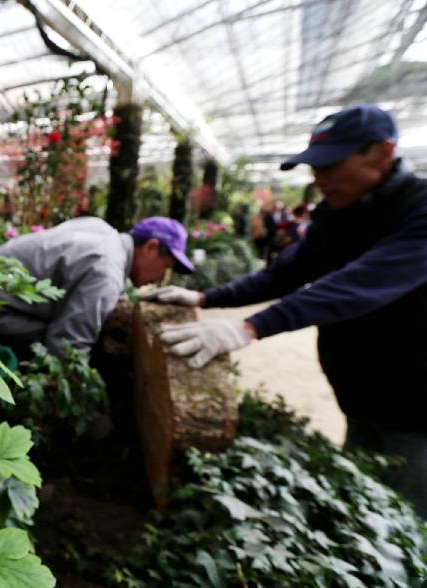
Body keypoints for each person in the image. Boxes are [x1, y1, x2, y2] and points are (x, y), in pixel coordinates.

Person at [142, 104, 427, 518]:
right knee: (359, 500)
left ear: (381, 153)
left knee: (403, 521)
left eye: (331, 165)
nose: (319, 178)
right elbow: (288, 273)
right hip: (361, 395)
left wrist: (249, 328)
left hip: (417, 408)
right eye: (316, 167)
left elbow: (359, 285)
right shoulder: (338, 212)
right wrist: (207, 299)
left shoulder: (419, 209)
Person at [0, 216, 194, 358]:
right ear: (150, 247)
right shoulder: (107, 272)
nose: (161, 278)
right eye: (165, 267)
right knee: (59, 341)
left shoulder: (99, 228)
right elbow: (67, 344)